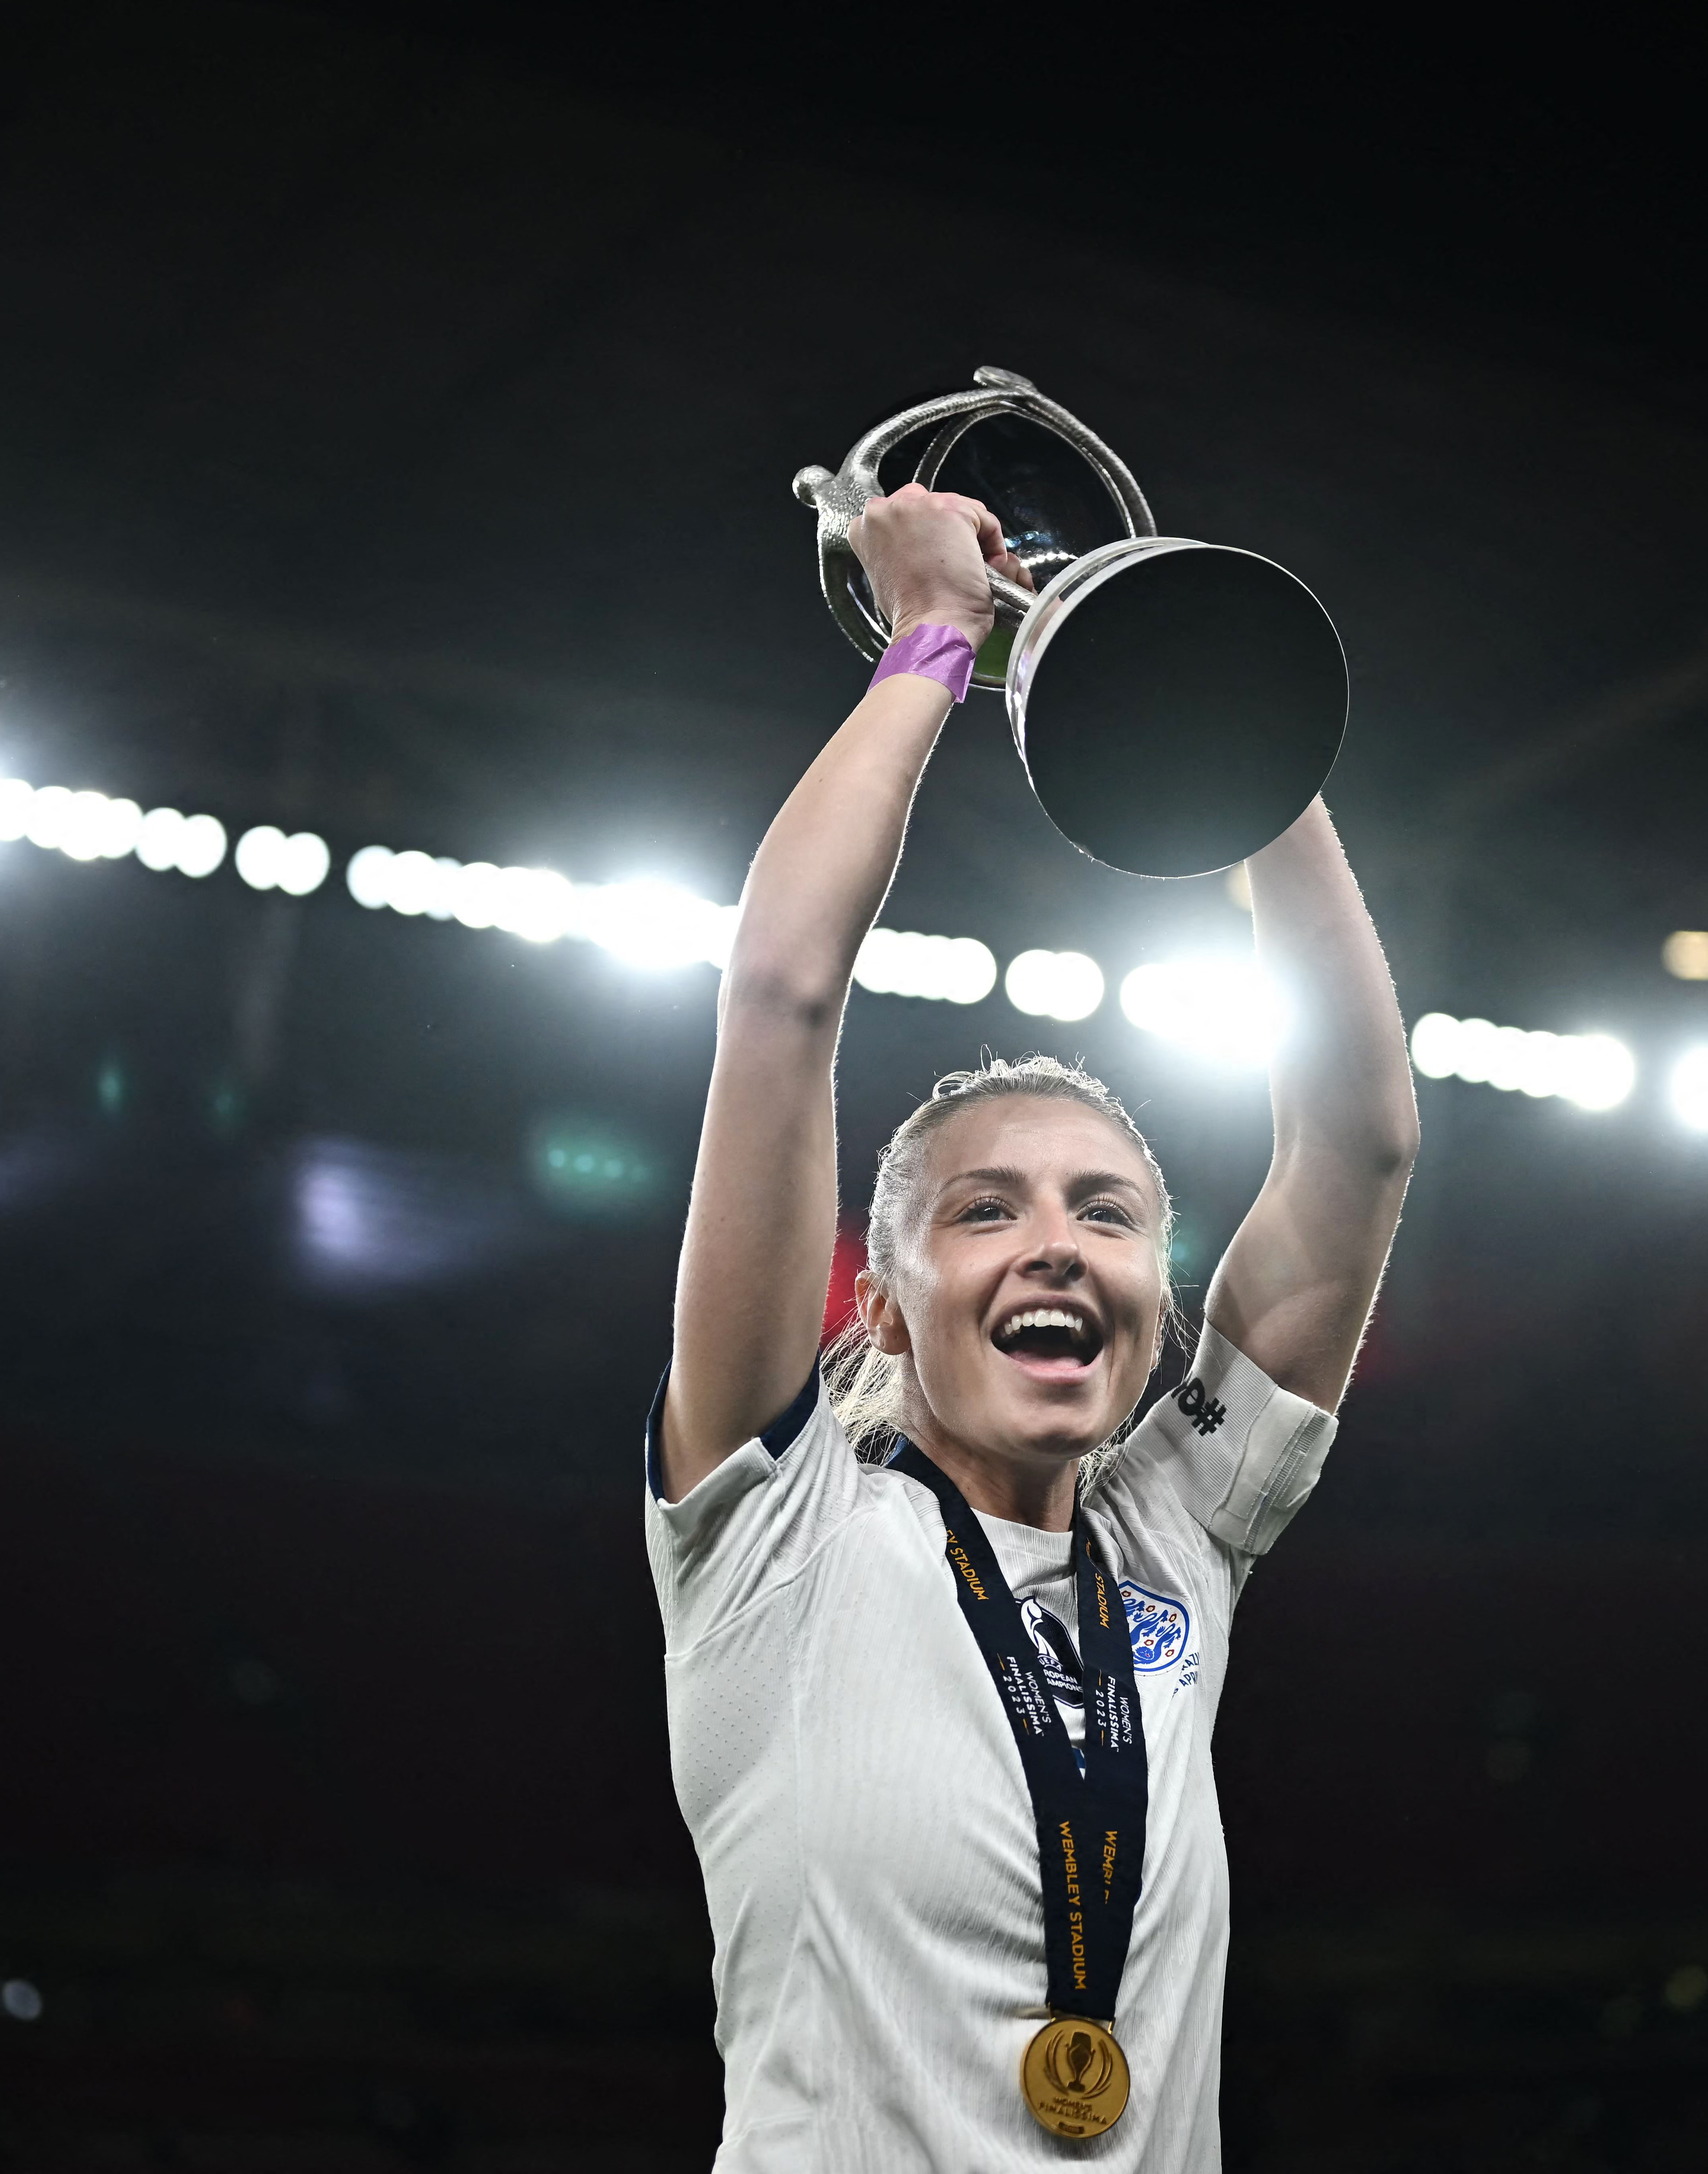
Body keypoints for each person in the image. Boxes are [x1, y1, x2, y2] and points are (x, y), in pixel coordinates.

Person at [647, 480, 1418, 2169]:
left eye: (1109, 1209)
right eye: (987, 1209)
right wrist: (930, 639)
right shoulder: (770, 1529)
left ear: (1158, 1293)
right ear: (886, 1298)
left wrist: (1236, 739)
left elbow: (1357, 1137)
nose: (1057, 1246)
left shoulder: (1179, 1530)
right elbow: (780, 999)